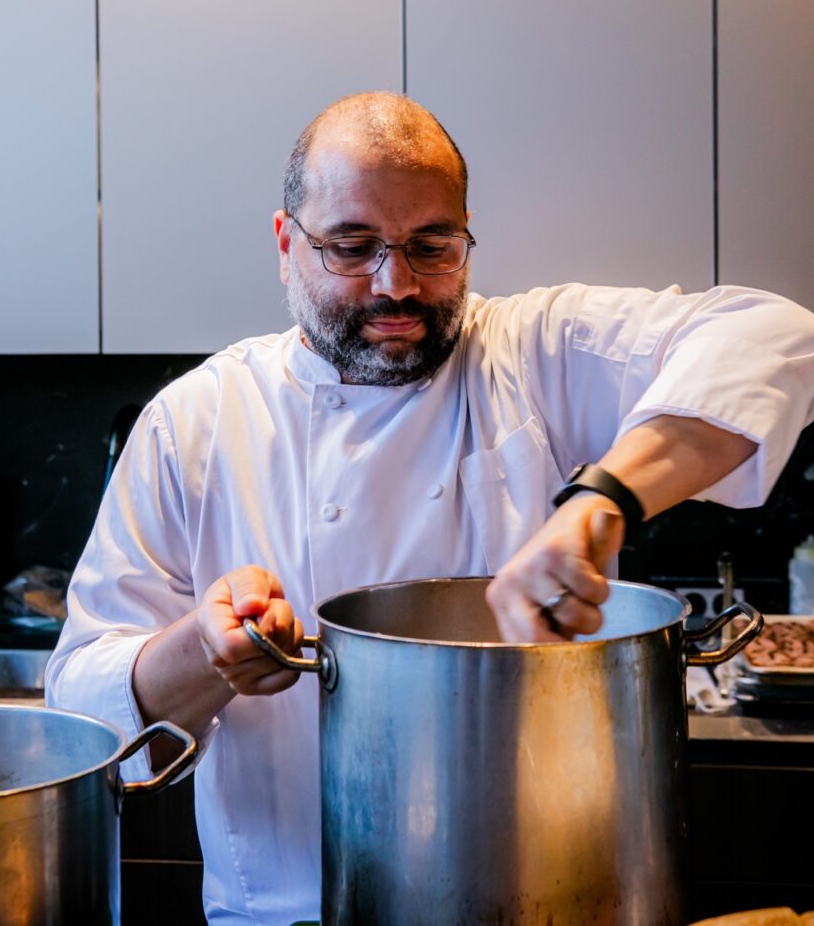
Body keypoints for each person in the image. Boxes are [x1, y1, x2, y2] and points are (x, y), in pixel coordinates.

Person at [46, 91, 814, 925]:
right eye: (352, 247)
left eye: (431, 246)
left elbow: (774, 337)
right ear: (285, 245)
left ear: (465, 236)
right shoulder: (198, 422)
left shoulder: (531, 353)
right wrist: (205, 650)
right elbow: (80, 718)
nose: (397, 285)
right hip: (290, 909)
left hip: (549, 899)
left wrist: (604, 496)